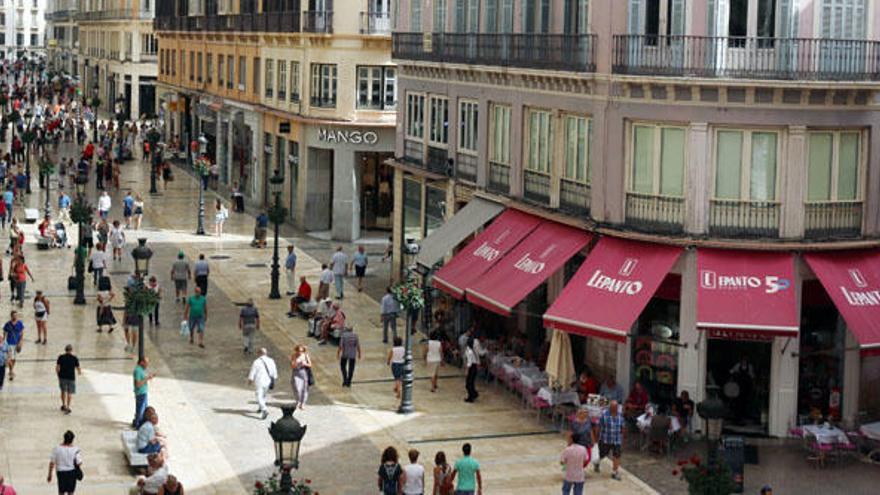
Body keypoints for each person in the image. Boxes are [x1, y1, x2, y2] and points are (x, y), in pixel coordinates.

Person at [48, 430, 82, 495]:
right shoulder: (75, 449)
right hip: (72, 473)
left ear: (64, 438)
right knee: (70, 493)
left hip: (61, 473)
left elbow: (52, 463)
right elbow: (79, 463)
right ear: (72, 440)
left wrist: (50, 475)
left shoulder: (56, 448)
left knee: (61, 492)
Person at [597, 400, 625, 481]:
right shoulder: (604, 415)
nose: (613, 409)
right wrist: (597, 438)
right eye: (612, 407)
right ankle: (597, 463)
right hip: (605, 439)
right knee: (602, 454)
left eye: (615, 407)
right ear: (610, 407)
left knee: (617, 455)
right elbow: (599, 426)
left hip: (617, 439)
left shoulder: (620, 416)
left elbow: (622, 427)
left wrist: (622, 438)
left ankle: (615, 472)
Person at [248, 348, 277, 420]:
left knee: (258, 395)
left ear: (259, 353)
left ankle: (264, 409)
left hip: (259, 380)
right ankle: (260, 407)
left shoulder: (256, 362)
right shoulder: (271, 360)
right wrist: (274, 377)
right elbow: (274, 370)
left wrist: (250, 379)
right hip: (268, 380)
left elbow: (253, 371)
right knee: (264, 394)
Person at [56, 344, 81, 414]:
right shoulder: (74, 358)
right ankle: (68, 407)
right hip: (71, 377)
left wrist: (58, 376)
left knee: (63, 391)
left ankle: (63, 405)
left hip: (62, 377)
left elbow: (57, 368)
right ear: (71, 350)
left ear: (65, 350)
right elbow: (78, 369)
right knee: (69, 393)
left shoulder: (61, 357)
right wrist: (79, 372)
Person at [133, 357, 156, 428]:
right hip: (140, 393)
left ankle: (141, 423)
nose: (147, 365)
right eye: (146, 363)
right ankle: (138, 425)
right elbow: (138, 384)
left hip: (144, 392)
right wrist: (147, 378)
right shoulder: (137, 371)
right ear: (141, 362)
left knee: (144, 410)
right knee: (140, 410)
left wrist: (148, 377)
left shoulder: (141, 370)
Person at [3, 311, 24, 381]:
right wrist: (3, 343)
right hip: (9, 343)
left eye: (16, 315)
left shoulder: (20, 323)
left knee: (14, 359)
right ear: (11, 316)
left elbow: (21, 334)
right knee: (9, 358)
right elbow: (4, 334)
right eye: (14, 315)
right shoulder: (7, 324)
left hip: (16, 343)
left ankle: (11, 370)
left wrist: (20, 342)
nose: (15, 316)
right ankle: (11, 372)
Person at [290, 344, 311, 410]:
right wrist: (296, 363)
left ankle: (303, 403)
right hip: (295, 373)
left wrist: (305, 364)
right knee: (296, 388)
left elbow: (310, 365)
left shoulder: (305, 355)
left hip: (303, 372)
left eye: (301, 351)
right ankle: (298, 401)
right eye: (298, 351)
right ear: (296, 350)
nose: (300, 352)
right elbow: (292, 366)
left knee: (304, 388)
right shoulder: (293, 356)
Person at [463, 338, 479, 403]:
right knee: (471, 383)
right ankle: (474, 394)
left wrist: (466, 370)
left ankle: (471, 397)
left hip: (471, 368)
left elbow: (469, 362)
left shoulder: (468, 351)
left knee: (468, 384)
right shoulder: (472, 350)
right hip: (474, 367)